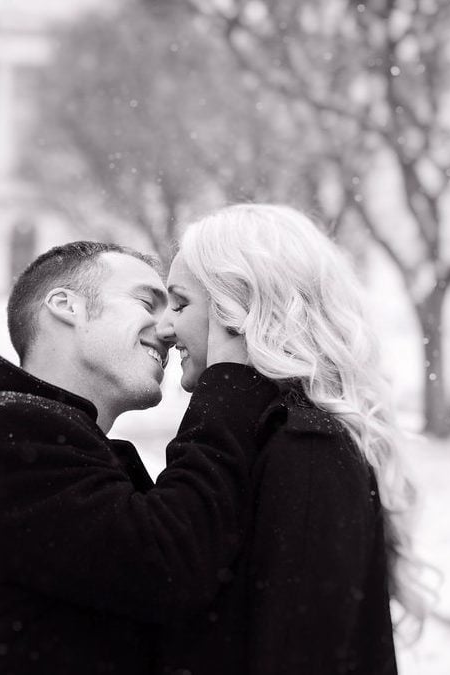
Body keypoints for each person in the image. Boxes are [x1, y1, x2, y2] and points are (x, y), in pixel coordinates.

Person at [0, 241, 281, 674]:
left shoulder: (32, 429)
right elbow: (170, 567)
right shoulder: (8, 434)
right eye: (148, 301)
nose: (168, 329)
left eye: (176, 307)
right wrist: (229, 385)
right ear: (66, 305)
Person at [156, 204, 429, 674]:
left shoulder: (306, 447)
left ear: (237, 314)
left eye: (180, 304)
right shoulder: (280, 435)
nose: (164, 328)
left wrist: (223, 383)